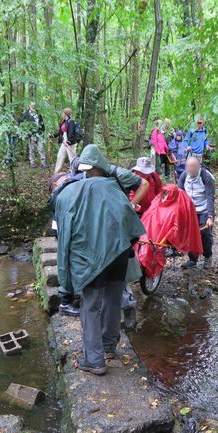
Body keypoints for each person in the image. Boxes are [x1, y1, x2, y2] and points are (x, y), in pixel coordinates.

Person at [55, 144, 146, 375]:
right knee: (113, 300)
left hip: (93, 259)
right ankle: (108, 348)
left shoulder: (69, 194)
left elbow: (65, 240)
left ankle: (94, 360)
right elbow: (130, 223)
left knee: (90, 305)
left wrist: (65, 284)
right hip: (119, 254)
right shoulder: (115, 185)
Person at [74, 146, 150, 313]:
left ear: (98, 165)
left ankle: (127, 304)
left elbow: (144, 184)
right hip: (99, 224)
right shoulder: (86, 177)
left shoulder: (118, 174)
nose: (88, 174)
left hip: (118, 226)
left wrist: (129, 205)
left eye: (91, 170)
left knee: (119, 264)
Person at [49, 173, 82, 316]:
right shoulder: (58, 194)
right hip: (64, 232)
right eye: (64, 178)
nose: (67, 179)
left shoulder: (63, 191)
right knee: (67, 264)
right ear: (55, 183)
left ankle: (72, 297)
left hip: (66, 230)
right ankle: (65, 303)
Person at [178, 157, 215, 269]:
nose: (190, 169)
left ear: (198, 166)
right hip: (190, 210)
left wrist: (210, 216)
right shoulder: (184, 176)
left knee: (204, 234)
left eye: (192, 166)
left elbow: (210, 197)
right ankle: (192, 259)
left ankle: (208, 257)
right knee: (190, 234)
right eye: (188, 166)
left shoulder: (206, 176)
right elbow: (180, 195)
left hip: (203, 209)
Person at [50, 107, 79, 174]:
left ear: (65, 113)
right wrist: (52, 136)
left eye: (63, 112)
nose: (62, 114)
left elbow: (71, 133)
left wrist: (68, 141)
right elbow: (60, 132)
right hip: (64, 142)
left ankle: (74, 172)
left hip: (70, 143)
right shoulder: (64, 122)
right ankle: (56, 172)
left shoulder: (71, 121)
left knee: (72, 158)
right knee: (60, 156)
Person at [21, 102, 47, 168]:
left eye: (34, 105)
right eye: (32, 105)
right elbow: (22, 125)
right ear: (29, 106)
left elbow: (42, 123)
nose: (33, 106)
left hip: (39, 134)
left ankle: (43, 163)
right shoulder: (26, 114)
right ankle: (32, 163)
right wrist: (27, 132)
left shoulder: (38, 113)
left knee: (41, 148)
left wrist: (43, 131)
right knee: (31, 149)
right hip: (31, 134)